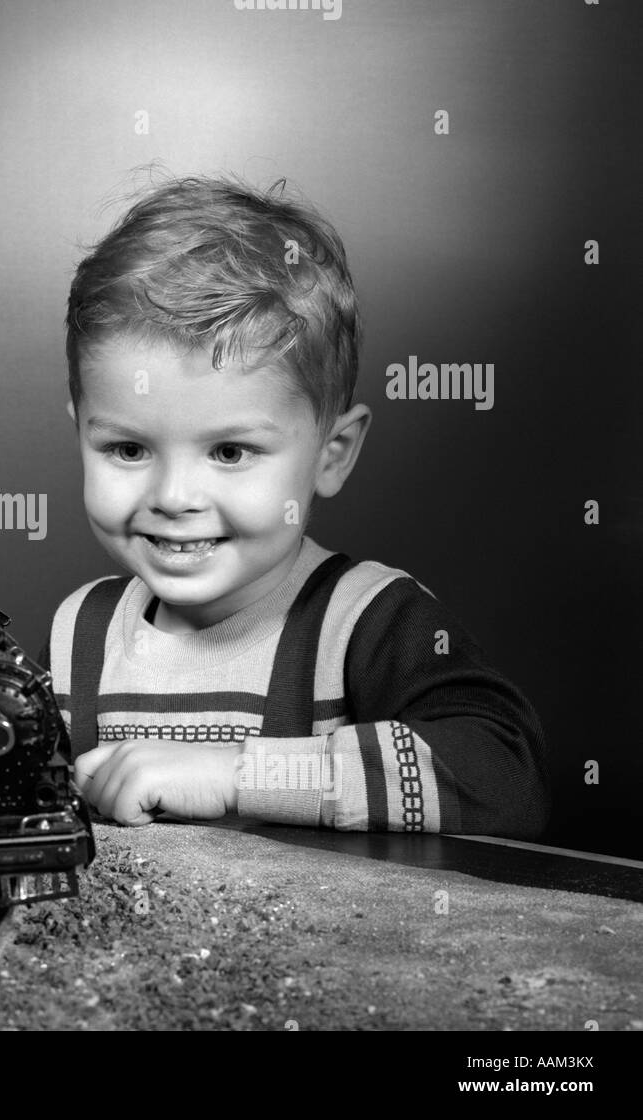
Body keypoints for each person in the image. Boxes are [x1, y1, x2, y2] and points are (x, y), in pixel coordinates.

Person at [44, 175, 549, 838]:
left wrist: (235, 774)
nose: (172, 498)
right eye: (128, 449)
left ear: (332, 454)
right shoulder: (82, 632)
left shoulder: (366, 620)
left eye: (229, 453)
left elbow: (504, 782)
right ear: (81, 430)